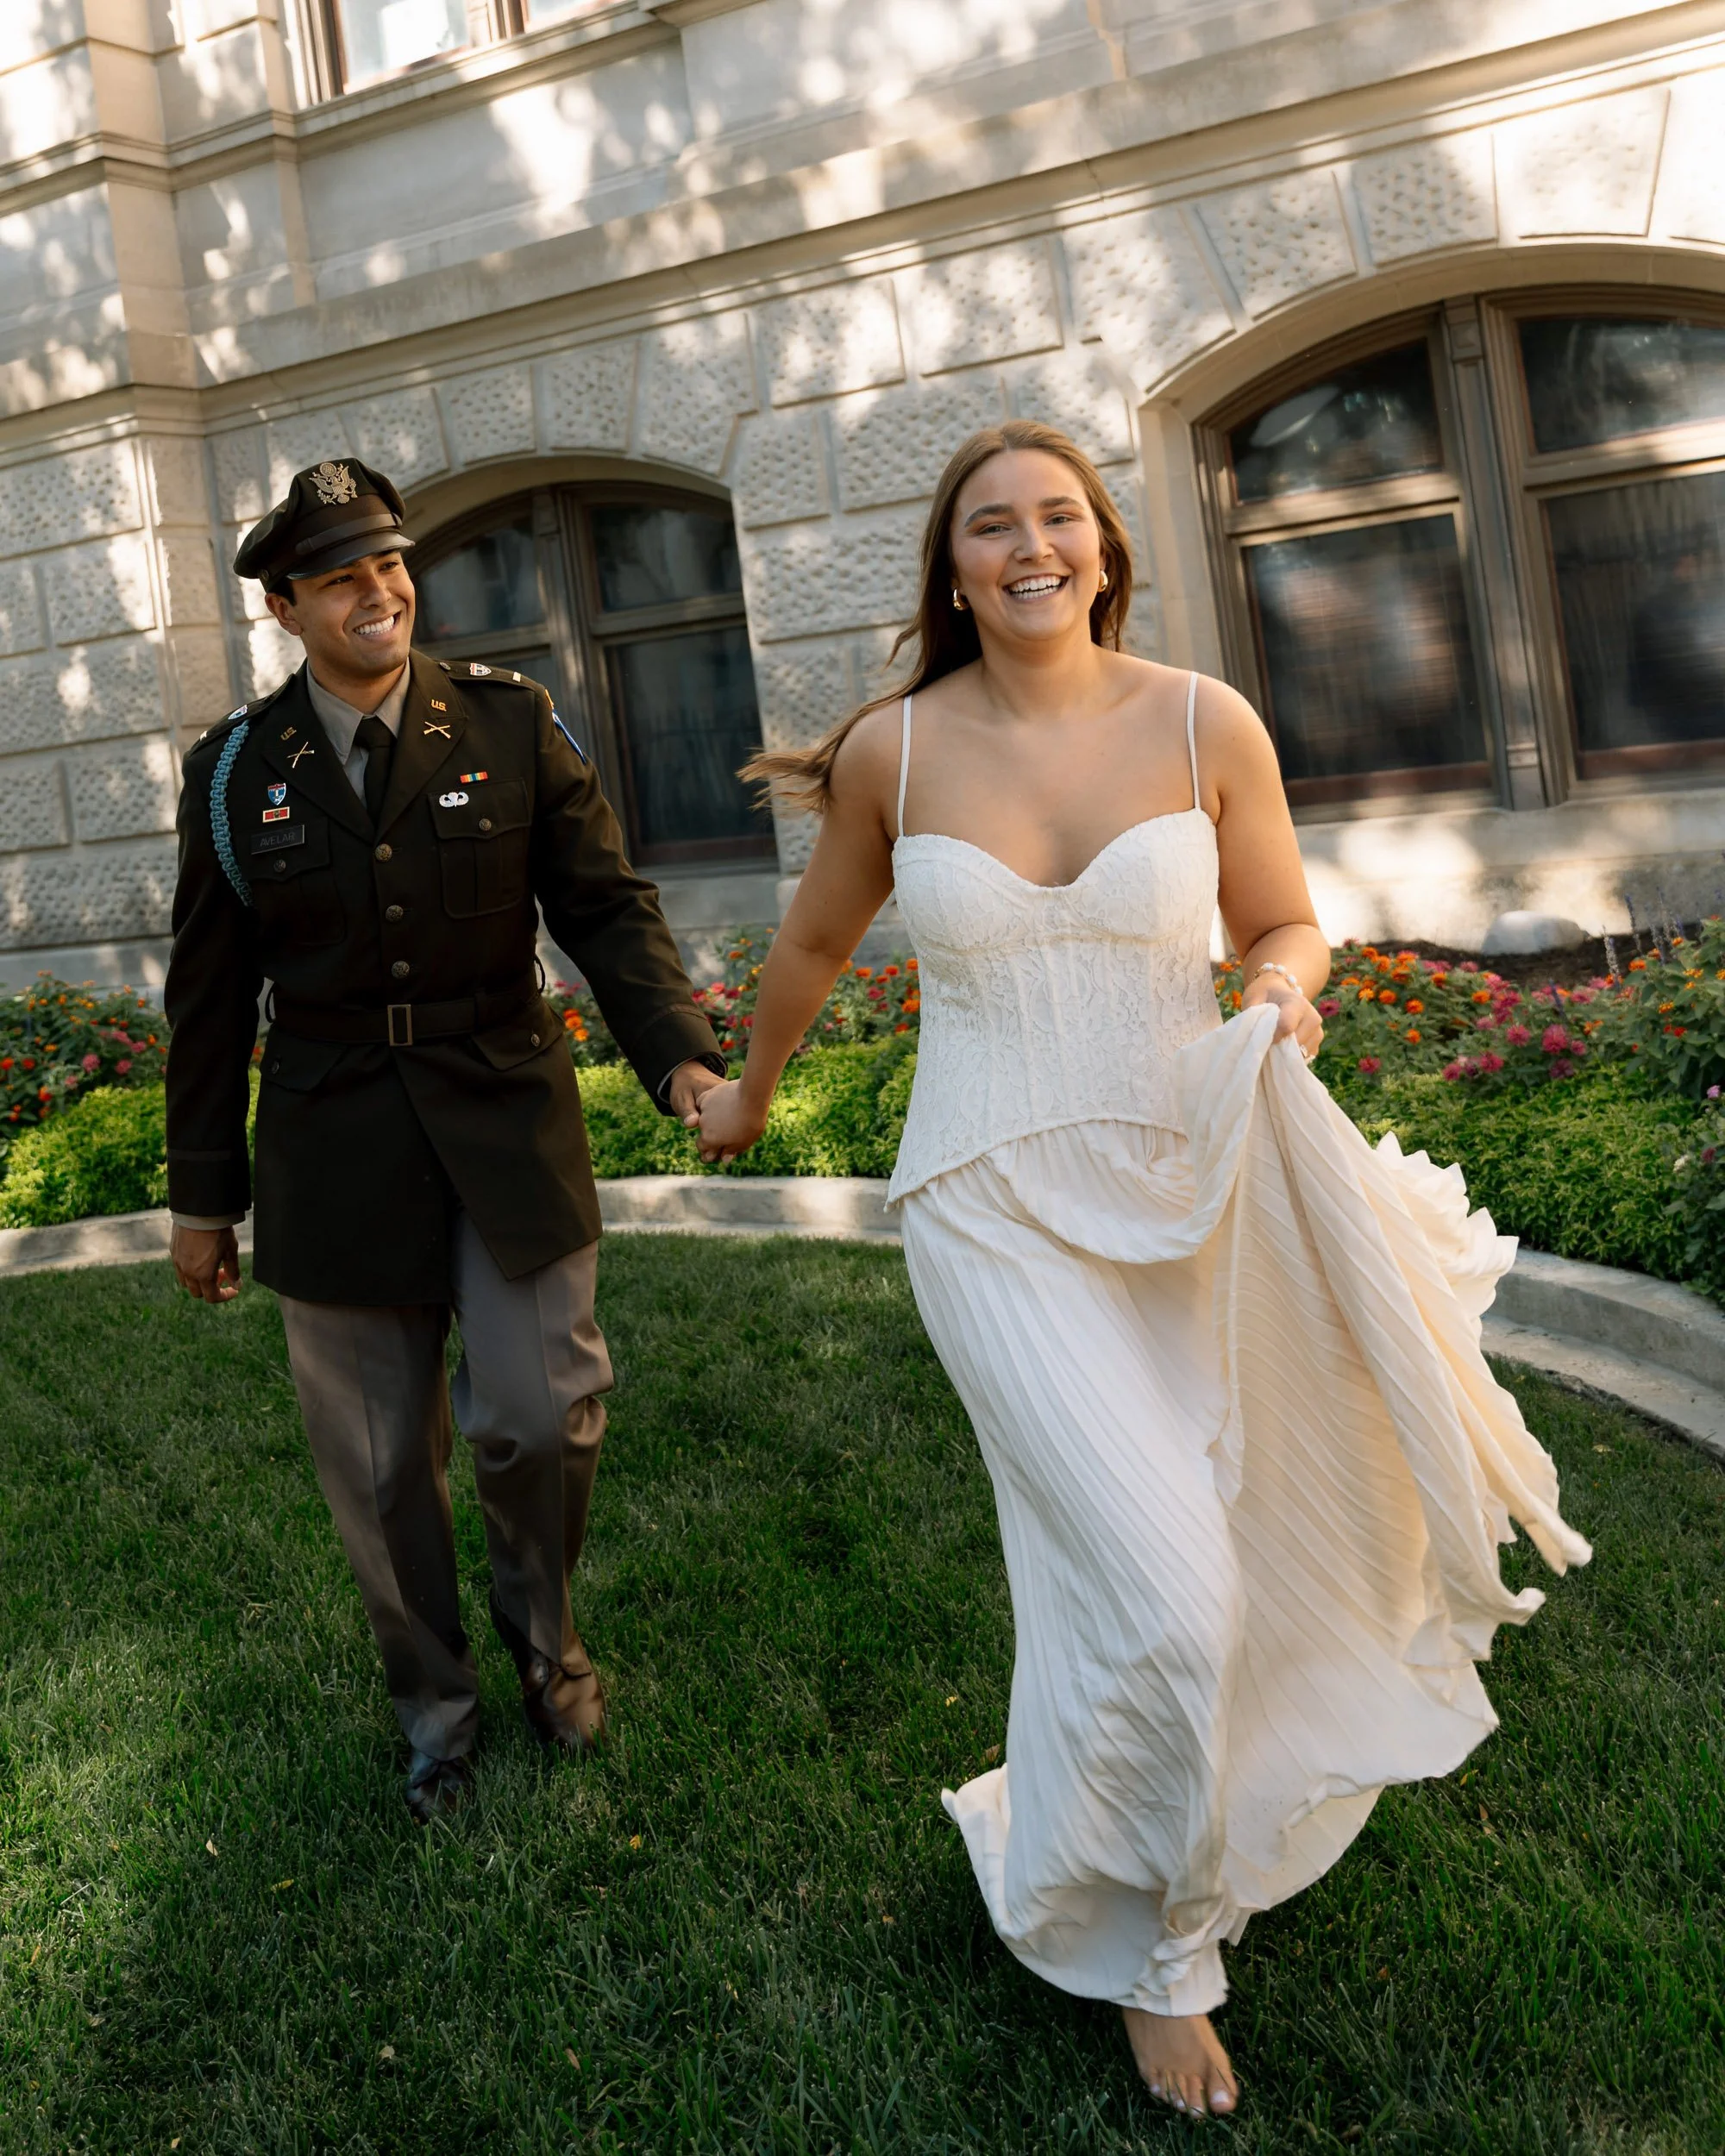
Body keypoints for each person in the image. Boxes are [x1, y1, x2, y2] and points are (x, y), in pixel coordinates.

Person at [695, 420, 1591, 2118]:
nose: (1027, 545)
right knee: (1164, 1580)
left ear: (1103, 544)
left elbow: (1284, 918)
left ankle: (1066, 1811)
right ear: (950, 568)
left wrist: (1281, 986)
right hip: (988, 1200)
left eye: (1055, 517)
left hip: (1191, 1176)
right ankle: (1165, 1946)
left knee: (1173, 1556)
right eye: (988, 525)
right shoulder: (893, 749)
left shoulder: (1202, 720)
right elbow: (814, 938)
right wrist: (745, 1089)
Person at [166, 458, 726, 1821]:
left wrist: (680, 1057)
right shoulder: (237, 773)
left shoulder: (508, 723)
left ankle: (549, 1645)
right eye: (345, 575)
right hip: (333, 1140)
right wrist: (202, 1196)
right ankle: (438, 1714)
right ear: (288, 605)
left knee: (541, 1418)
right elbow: (207, 991)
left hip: (504, 1115)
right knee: (377, 1470)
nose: (383, 590)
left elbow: (605, 908)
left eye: (393, 563)